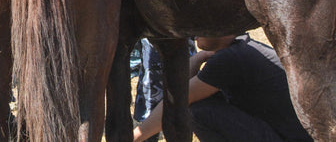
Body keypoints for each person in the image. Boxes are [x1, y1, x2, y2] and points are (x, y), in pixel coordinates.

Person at [133, 34, 311, 142]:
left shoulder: (230, 58)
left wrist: (133, 137)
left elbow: (177, 101)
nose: (194, 31)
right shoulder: (242, 47)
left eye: (202, 23)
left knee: (196, 110)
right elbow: (180, 85)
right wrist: (200, 56)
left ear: (223, 28)